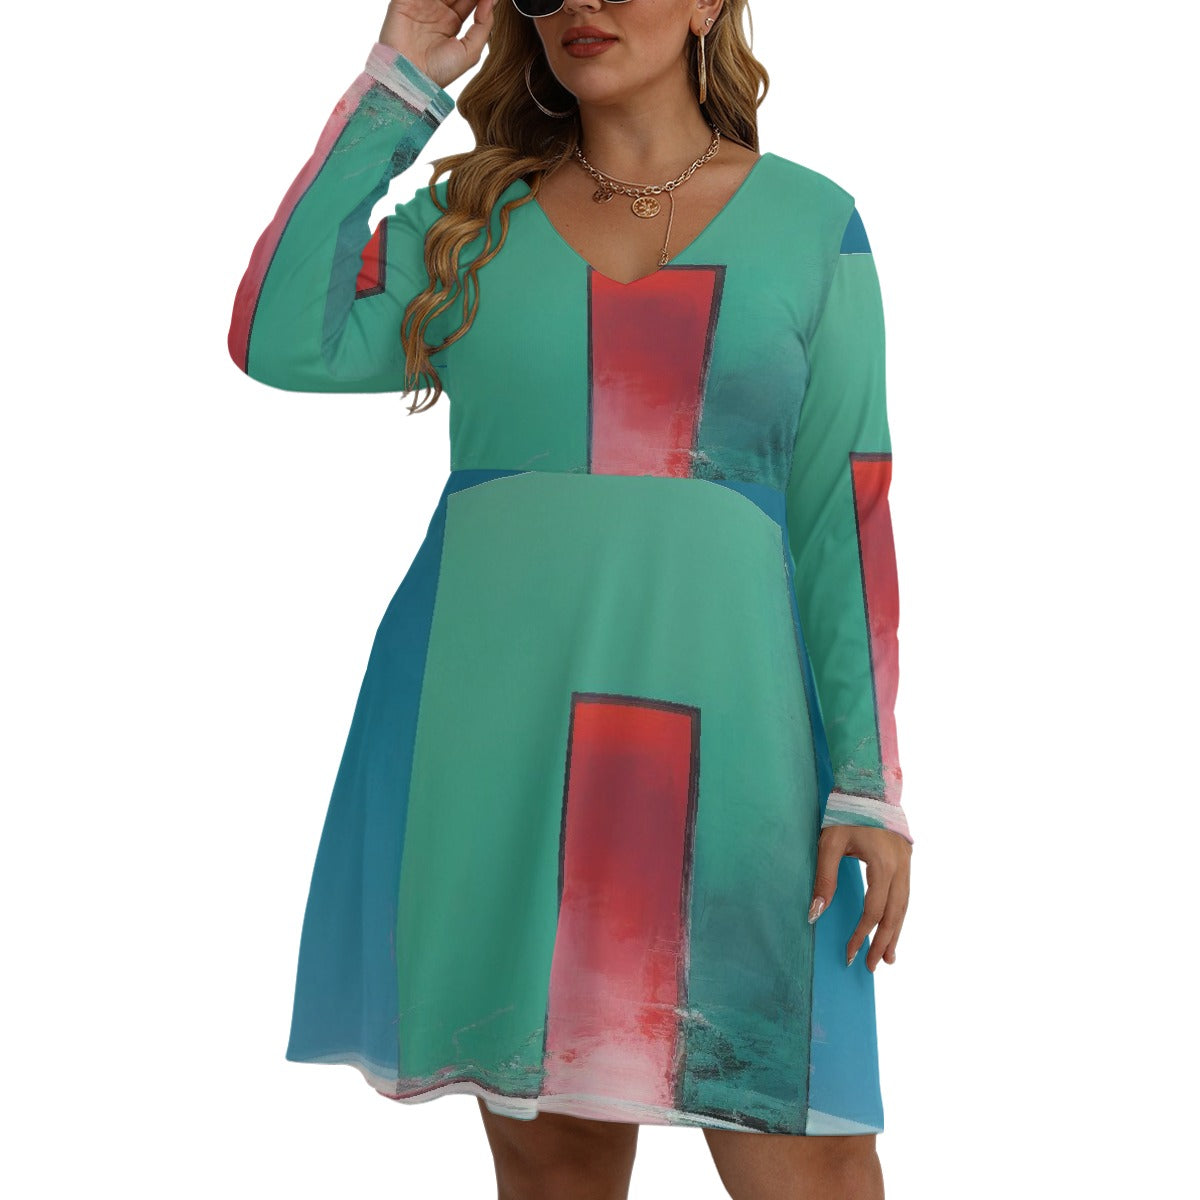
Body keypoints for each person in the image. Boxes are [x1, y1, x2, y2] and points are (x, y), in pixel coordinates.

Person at [227, 0, 914, 1196]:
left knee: (808, 1159)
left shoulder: (813, 226)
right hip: (505, 732)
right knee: (555, 1161)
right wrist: (399, 84)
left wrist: (866, 777)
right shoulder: (473, 221)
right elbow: (280, 336)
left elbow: (841, 512)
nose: (581, 5)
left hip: (739, 749)